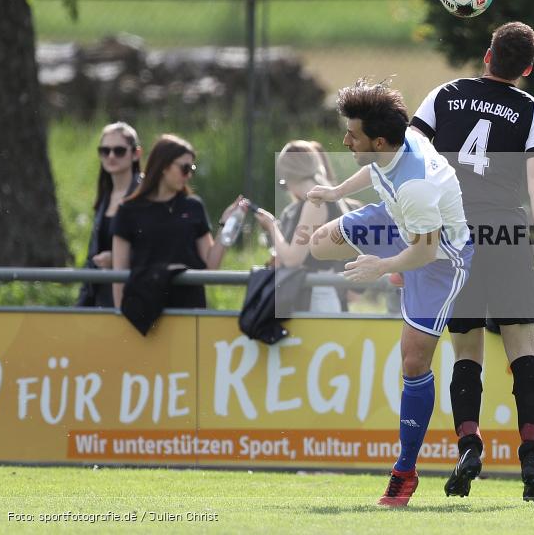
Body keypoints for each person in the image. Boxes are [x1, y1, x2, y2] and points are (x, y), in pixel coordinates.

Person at [409, 21, 534, 503]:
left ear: (487, 54)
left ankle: (469, 445)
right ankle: (531, 453)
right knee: (522, 349)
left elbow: (409, 158)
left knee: (466, 349)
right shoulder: (532, 110)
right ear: (528, 69)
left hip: (455, 234)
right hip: (508, 233)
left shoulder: (444, 94)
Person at [306, 79, 472, 507]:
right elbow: (375, 168)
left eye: (353, 135)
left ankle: (405, 470)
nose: (345, 140)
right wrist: (338, 192)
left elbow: (427, 249)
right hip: (400, 224)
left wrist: (382, 266)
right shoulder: (397, 142)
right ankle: (395, 271)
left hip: (439, 259)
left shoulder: (416, 185)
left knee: (413, 361)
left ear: (378, 140)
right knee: (319, 243)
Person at [112, 134, 246, 309]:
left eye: (192, 168)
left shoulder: (193, 206)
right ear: (163, 166)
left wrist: (226, 224)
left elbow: (211, 266)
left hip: (188, 309)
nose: (189, 175)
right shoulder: (128, 210)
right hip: (143, 314)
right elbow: (118, 274)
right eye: (185, 168)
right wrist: (119, 315)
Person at [251, 140, 349, 313]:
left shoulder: (315, 202)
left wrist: (271, 225)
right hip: (314, 293)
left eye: (283, 183)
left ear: (288, 176)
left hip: (315, 296)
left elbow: (293, 259)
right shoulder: (322, 197)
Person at [77, 122, 143, 307]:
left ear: (136, 153)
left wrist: (119, 260)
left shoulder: (147, 196)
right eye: (105, 151)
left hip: (135, 298)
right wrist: (81, 304)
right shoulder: (104, 196)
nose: (111, 156)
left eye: (119, 150)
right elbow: (92, 255)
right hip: (99, 297)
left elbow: (157, 251)